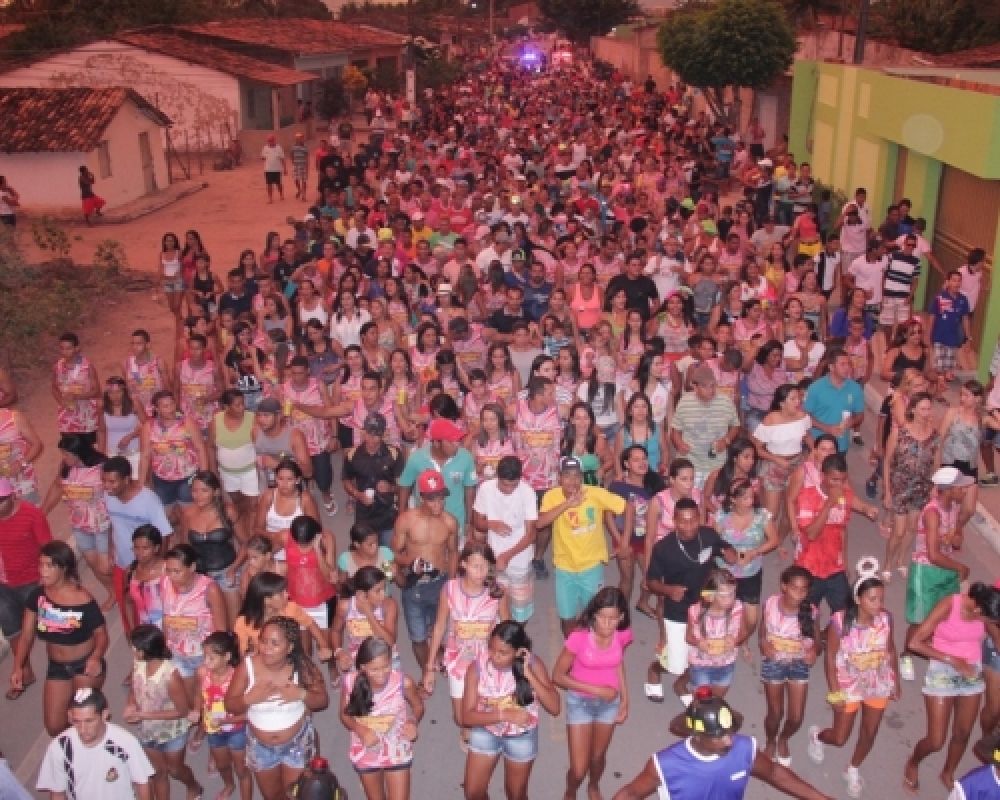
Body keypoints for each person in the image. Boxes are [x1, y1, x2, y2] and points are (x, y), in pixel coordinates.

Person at [611, 688, 832, 800]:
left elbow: (774, 772)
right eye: (719, 736)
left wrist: (820, 798)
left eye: (729, 732)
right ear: (696, 735)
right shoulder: (665, 764)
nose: (729, 740)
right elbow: (631, 793)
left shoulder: (745, 748)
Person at [807, 563, 900, 799]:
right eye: (872, 599)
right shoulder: (839, 622)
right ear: (858, 599)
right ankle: (817, 735)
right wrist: (835, 692)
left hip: (877, 682)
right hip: (848, 683)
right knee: (839, 738)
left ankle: (853, 769)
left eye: (880, 598)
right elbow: (829, 659)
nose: (878, 605)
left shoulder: (886, 619)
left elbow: (890, 650)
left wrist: (894, 679)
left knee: (869, 733)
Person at [904, 583, 1000, 794]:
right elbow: (915, 642)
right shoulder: (950, 604)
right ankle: (912, 762)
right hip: (942, 665)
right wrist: (954, 661)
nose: (989, 625)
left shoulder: (989, 610)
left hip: (971, 669)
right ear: (977, 610)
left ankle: (948, 772)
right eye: (987, 621)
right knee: (936, 740)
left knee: (963, 732)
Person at [644, 497, 738, 704]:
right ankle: (655, 669)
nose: (689, 526)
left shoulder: (708, 535)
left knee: (703, 656)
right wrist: (668, 590)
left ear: (700, 518)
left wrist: (730, 552)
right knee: (676, 664)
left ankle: (681, 684)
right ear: (674, 521)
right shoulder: (663, 548)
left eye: (694, 520)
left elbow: (723, 546)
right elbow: (650, 582)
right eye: (683, 521)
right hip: (677, 611)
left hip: (706, 609)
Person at [9, 541, 108, 735]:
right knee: (54, 727)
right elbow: (26, 635)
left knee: (82, 723)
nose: (42, 571)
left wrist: (96, 657)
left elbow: (101, 634)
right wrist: (18, 667)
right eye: (40, 565)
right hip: (57, 666)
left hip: (84, 664)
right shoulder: (37, 596)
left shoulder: (83, 599)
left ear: (63, 568)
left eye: (49, 566)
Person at [224, 617, 330, 800]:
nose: (266, 648)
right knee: (271, 796)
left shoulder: (302, 667)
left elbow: (322, 701)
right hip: (260, 747)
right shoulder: (247, 667)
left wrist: (301, 695)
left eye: (275, 643)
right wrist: (248, 699)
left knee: (296, 795)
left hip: (297, 743)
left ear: (289, 648)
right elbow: (230, 704)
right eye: (263, 641)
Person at [422, 542, 509, 749]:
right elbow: (440, 626)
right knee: (461, 717)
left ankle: (480, 737)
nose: (481, 572)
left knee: (484, 707)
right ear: (463, 564)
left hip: (488, 662)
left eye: (485, 566)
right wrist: (429, 667)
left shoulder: (498, 592)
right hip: (458, 660)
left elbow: (506, 627)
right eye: (475, 566)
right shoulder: (450, 589)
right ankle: (466, 729)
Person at [461, 621, 561, 800]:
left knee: (516, 794)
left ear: (517, 652)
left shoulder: (533, 664)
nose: (494, 656)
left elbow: (555, 708)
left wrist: (529, 675)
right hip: (486, 730)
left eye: (503, 653)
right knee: (473, 793)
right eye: (491, 649)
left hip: (521, 736)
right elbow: (466, 717)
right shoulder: (477, 668)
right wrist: (503, 714)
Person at [552, 587, 631, 800]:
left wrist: (625, 698)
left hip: (609, 704)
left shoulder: (623, 634)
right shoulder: (579, 637)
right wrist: (597, 690)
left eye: (612, 618)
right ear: (594, 614)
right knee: (578, 769)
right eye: (601, 617)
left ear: (621, 617)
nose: (606, 624)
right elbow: (558, 676)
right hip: (580, 702)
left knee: (597, 757)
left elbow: (618, 663)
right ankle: (571, 791)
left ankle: (593, 786)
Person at [538, 456, 626, 636]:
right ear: (559, 477)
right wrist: (567, 504)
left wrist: (623, 542)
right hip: (564, 569)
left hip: (592, 568)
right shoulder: (551, 496)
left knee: (594, 617)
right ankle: (572, 653)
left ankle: (590, 654)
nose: (572, 481)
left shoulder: (595, 493)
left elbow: (628, 508)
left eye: (577, 476)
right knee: (567, 619)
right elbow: (540, 523)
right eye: (567, 476)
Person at [123, 624, 202, 800]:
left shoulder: (170, 676)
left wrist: (142, 715)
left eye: (134, 647)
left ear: (145, 651)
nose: (131, 650)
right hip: (148, 731)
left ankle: (194, 786)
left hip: (172, 732)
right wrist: (131, 704)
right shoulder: (138, 663)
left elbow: (181, 711)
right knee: (157, 773)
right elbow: (135, 688)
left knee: (175, 769)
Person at [391, 468, 459, 669]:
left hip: (440, 584)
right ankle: (426, 672)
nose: (438, 504)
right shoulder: (405, 521)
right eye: (432, 499)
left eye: (441, 498)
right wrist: (409, 561)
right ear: (421, 498)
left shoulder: (450, 522)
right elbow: (393, 554)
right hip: (414, 585)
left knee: (438, 630)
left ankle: (440, 659)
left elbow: (454, 553)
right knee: (418, 637)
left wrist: (452, 584)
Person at [341, 636, 424, 800]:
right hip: (366, 749)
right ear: (363, 667)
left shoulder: (403, 682)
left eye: (386, 666)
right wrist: (360, 729)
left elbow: (418, 706)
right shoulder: (350, 682)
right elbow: (344, 714)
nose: (381, 674)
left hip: (396, 748)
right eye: (374, 669)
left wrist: (413, 721)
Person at [794, 453, 877, 617]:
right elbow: (811, 534)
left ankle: (829, 636)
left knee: (845, 614)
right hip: (809, 568)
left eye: (842, 480)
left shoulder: (843, 495)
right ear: (822, 476)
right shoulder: (806, 496)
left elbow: (850, 508)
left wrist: (867, 509)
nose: (839, 485)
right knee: (808, 616)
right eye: (834, 480)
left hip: (835, 568)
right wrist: (828, 504)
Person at [36, 687, 155, 800]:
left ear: (104, 715)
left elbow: (142, 782)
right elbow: (57, 794)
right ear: (69, 716)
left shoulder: (125, 742)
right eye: (76, 721)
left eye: (89, 721)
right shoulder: (60, 747)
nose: (82, 729)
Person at [39, 434, 114, 611]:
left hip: (102, 525)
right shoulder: (66, 467)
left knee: (105, 566)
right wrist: (43, 511)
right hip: (79, 524)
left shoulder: (101, 468)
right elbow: (58, 486)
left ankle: (124, 587)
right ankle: (114, 593)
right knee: (92, 562)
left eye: (66, 454)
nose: (63, 458)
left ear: (78, 452)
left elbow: (115, 495)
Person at [102, 456, 173, 632]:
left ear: (126, 479)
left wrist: (157, 564)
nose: (107, 486)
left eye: (112, 481)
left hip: (144, 569)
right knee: (126, 611)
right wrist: (111, 549)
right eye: (104, 481)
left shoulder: (148, 500)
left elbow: (164, 533)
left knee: (149, 613)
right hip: (121, 564)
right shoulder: (109, 496)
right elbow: (113, 523)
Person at [760, 566, 819, 767]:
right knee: (775, 713)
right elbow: (763, 628)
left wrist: (814, 652)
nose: (798, 594)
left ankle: (783, 738)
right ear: (784, 586)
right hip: (774, 662)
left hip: (799, 664)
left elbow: (817, 640)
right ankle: (770, 741)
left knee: (796, 717)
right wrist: (763, 642)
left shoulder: (811, 611)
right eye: (794, 588)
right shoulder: (770, 604)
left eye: (803, 590)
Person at [0, 476, 53, 689]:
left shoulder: (32, 515)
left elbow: (47, 549)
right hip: (3, 585)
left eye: (1, 501)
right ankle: (25, 672)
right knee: (12, 629)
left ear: (13, 496)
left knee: (50, 630)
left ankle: (61, 670)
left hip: (32, 583)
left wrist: (46, 580)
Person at [472, 455, 538, 624]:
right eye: (504, 484)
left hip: (520, 561)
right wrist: (491, 524)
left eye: (513, 485)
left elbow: (531, 535)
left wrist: (506, 556)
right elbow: (477, 522)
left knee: (520, 608)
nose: (509, 489)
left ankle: (516, 639)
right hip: (494, 559)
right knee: (495, 604)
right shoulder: (486, 489)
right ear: (497, 477)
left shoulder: (527, 493)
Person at [884, 392, 940, 581]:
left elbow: (936, 464)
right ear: (913, 410)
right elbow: (887, 462)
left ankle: (901, 559)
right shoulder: (899, 433)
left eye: (929, 408)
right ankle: (888, 563)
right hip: (900, 485)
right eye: (922, 408)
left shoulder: (934, 435)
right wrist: (887, 490)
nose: (926, 412)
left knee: (912, 528)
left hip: (921, 488)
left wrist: (935, 486)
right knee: (898, 531)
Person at [191, 632, 252, 800]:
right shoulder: (202, 673)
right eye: (205, 656)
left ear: (227, 657)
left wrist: (226, 721)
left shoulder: (238, 679)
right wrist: (197, 710)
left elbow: (249, 713)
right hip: (213, 729)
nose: (206, 662)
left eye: (211, 658)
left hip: (237, 729)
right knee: (222, 764)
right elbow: (197, 694)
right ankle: (229, 784)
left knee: (241, 769)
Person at [399, 417, 477, 543]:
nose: (456, 445)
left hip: (456, 523)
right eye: (450, 442)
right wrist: (401, 517)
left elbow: (470, 490)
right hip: (424, 526)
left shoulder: (465, 457)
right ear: (436, 443)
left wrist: (469, 522)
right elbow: (405, 486)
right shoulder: (416, 458)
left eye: (457, 441)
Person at [670, 365, 740, 489]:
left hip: (717, 464)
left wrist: (726, 440)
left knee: (714, 501)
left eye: (712, 385)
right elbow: (676, 431)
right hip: (690, 464)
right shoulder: (685, 402)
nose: (710, 390)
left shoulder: (726, 401)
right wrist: (679, 444)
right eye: (705, 386)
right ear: (695, 387)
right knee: (691, 502)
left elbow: (735, 426)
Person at [342, 412, 404, 548]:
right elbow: (346, 479)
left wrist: (391, 488)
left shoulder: (394, 454)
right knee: (365, 556)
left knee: (388, 557)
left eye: (377, 434)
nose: (372, 438)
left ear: (383, 434)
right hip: (364, 516)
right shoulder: (353, 455)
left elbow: (402, 485)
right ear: (363, 432)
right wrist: (358, 495)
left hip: (388, 516)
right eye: (369, 433)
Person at [803, 348, 866, 453]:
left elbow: (860, 415)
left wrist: (853, 421)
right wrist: (826, 428)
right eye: (842, 364)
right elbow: (805, 415)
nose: (847, 368)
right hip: (817, 445)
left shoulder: (855, 388)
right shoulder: (815, 388)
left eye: (849, 364)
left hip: (840, 446)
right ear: (831, 367)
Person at [260, 135, 287, 203]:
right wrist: (264, 158)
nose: (271, 142)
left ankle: (281, 195)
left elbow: (282, 159)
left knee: (278, 183)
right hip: (268, 170)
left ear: (274, 141)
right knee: (269, 184)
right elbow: (262, 157)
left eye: (272, 140)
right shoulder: (265, 148)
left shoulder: (279, 148)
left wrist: (285, 168)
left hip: (277, 169)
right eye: (269, 141)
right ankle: (270, 198)